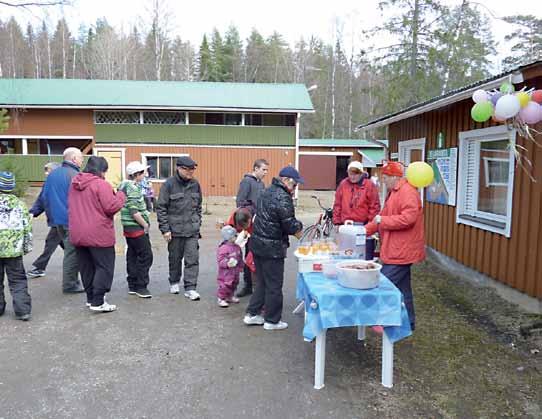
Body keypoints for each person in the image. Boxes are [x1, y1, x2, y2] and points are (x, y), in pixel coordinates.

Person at [364, 161, 425, 331]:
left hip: (402, 251)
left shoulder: (407, 192)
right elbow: (381, 217)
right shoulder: (394, 192)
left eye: (385, 177)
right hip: (396, 249)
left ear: (393, 177)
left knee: (382, 284)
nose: (383, 181)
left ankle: (380, 320)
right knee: (404, 289)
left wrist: (383, 221)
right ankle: (409, 323)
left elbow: (408, 218)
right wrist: (363, 232)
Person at [243, 166, 303, 331]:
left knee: (262, 282)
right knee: (274, 285)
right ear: (286, 181)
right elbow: (290, 224)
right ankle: (272, 320)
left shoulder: (266, 191)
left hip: (257, 244)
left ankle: (252, 314)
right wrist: (300, 228)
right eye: (295, 184)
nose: (295, 188)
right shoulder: (283, 197)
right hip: (272, 247)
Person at [68, 156, 126, 312]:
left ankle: (90, 298)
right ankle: (98, 301)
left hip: (78, 232)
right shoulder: (101, 185)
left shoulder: (74, 183)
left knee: (86, 267)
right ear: (101, 170)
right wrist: (121, 195)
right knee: (104, 267)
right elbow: (111, 207)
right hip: (98, 233)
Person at [156, 156, 202, 301]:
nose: (190, 172)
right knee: (175, 259)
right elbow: (161, 207)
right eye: (187, 169)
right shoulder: (168, 185)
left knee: (192, 259)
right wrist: (165, 229)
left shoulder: (195, 184)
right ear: (179, 168)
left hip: (192, 230)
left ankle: (190, 288)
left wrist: (197, 222)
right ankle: (174, 281)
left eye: (192, 169)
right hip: (174, 230)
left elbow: (199, 206)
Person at [42, 147, 85, 294]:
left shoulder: (52, 175)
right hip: (70, 220)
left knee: (69, 249)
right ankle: (70, 284)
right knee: (72, 253)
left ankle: (72, 280)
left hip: (57, 220)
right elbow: (82, 200)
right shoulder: (75, 175)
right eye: (81, 158)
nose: (82, 160)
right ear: (74, 159)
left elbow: (44, 197)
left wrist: (39, 212)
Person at [0, 172, 32, 321]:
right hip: (14, 249)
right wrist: (26, 247)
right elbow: (27, 228)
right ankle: (23, 310)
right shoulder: (20, 205)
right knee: (18, 280)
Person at [118, 161, 153, 299]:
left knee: (132, 254)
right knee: (146, 256)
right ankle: (141, 286)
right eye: (143, 172)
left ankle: (132, 284)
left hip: (128, 227)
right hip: (136, 227)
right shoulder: (133, 187)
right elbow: (133, 210)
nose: (145, 175)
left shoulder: (124, 186)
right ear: (136, 174)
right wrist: (145, 224)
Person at [333, 160, 381, 259]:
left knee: (362, 254)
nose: (352, 177)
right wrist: (337, 222)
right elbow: (337, 204)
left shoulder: (369, 185)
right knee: (346, 254)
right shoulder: (343, 184)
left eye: (356, 174)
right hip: (345, 224)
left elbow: (374, 206)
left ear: (361, 174)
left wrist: (370, 224)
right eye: (350, 174)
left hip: (362, 225)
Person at [235, 158, 269, 297]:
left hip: (259, 225)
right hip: (249, 224)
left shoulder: (262, 184)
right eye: (263, 169)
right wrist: (252, 213)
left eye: (267, 170)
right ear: (255, 169)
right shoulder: (246, 182)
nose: (265, 172)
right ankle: (247, 285)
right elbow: (240, 202)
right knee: (249, 254)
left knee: (256, 255)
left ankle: (257, 285)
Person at [27, 162, 64, 278]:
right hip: (56, 220)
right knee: (67, 246)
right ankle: (79, 262)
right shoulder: (48, 184)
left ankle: (39, 267)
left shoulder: (62, 184)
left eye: (48, 170)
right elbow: (42, 200)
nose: (46, 173)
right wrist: (33, 212)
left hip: (60, 220)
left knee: (50, 243)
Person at [216, 225, 244, 307]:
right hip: (226, 273)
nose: (237, 237)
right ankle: (221, 298)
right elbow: (220, 260)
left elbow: (240, 257)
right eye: (235, 236)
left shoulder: (237, 247)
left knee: (234, 283)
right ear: (229, 237)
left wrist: (241, 266)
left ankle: (230, 296)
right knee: (225, 285)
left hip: (235, 271)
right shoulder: (223, 248)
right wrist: (227, 263)